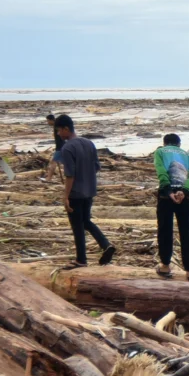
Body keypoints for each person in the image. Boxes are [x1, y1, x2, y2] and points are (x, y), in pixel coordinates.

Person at [52, 114, 115, 267]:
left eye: (59, 131)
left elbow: (70, 174)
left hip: (76, 193)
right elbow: (96, 167)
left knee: (77, 226)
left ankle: (81, 259)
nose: (59, 134)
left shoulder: (67, 148)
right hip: (89, 191)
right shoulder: (89, 143)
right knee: (86, 221)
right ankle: (105, 244)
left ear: (66, 129)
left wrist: (65, 196)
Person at [152, 133, 189, 280]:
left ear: (165, 143)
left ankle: (165, 266)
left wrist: (168, 190)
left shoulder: (160, 152)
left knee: (165, 230)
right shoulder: (188, 155)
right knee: (186, 231)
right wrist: (184, 191)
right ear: (179, 144)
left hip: (166, 197)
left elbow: (161, 171)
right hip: (184, 197)